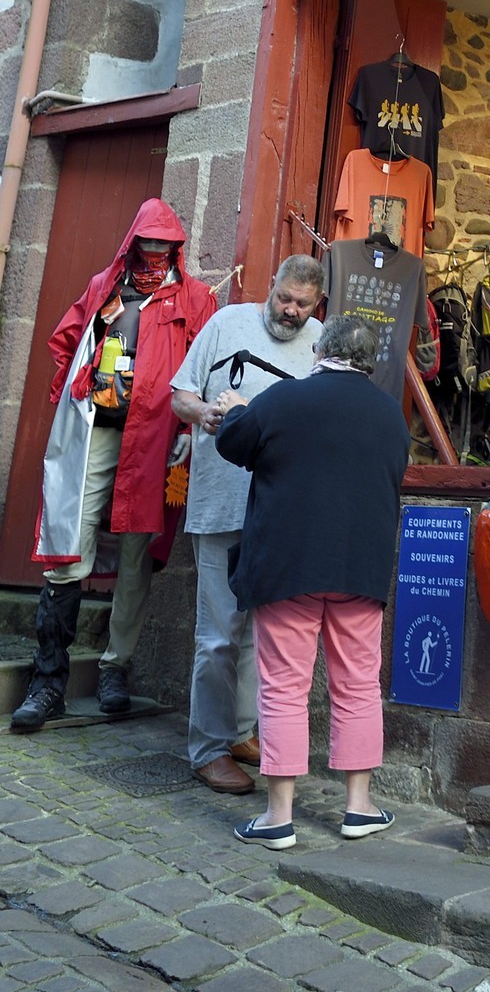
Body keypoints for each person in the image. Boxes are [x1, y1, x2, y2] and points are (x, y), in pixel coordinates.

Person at [12, 198, 215, 734]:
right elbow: (67, 341)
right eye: (145, 243)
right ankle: (48, 680)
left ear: (176, 248)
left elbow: (206, 373)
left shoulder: (195, 299)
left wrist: (188, 434)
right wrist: (73, 392)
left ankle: (113, 668)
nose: (153, 253)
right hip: (97, 432)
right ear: (132, 242)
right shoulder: (105, 284)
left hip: (154, 439)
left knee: (137, 551)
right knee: (67, 541)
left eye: (162, 245)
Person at [213, 311, 410, 848]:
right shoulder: (391, 416)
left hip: (288, 567)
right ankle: (359, 807)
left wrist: (234, 410)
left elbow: (234, 444)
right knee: (357, 686)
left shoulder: (285, 400)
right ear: (369, 364)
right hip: (358, 568)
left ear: (321, 350)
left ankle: (279, 817)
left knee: (283, 688)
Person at [169, 255, 326, 796]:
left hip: (280, 509)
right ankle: (207, 749)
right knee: (217, 635)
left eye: (302, 304)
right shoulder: (226, 322)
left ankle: (239, 733)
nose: (290, 310)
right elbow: (179, 394)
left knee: (262, 634)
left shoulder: (320, 341)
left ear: (316, 304)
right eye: (285, 297)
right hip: (220, 501)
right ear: (272, 285)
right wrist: (203, 413)